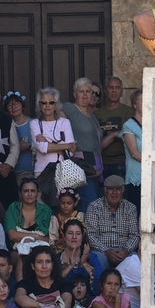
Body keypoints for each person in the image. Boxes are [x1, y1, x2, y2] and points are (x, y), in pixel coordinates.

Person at [60, 77, 104, 206]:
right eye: (81, 91)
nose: (85, 94)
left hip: (96, 168)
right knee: (89, 204)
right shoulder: (70, 108)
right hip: (81, 167)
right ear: (74, 94)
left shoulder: (92, 116)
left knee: (94, 202)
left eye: (88, 91)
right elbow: (57, 125)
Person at [85, 176, 140, 269]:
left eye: (118, 189)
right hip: (102, 252)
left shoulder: (130, 208)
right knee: (99, 262)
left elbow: (134, 235)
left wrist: (126, 250)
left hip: (125, 251)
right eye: (111, 189)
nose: (114, 193)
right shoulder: (94, 207)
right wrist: (106, 250)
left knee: (134, 264)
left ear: (122, 191)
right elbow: (91, 235)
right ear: (105, 191)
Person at [96, 78, 134, 182]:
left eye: (117, 88)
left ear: (121, 91)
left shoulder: (129, 112)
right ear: (105, 90)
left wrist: (108, 134)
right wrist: (115, 134)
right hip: (101, 164)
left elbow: (131, 136)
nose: (114, 90)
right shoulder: (96, 114)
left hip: (122, 162)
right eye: (111, 87)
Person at [5, 178, 53, 257]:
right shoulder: (13, 208)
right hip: (16, 250)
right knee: (23, 258)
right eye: (26, 191)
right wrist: (36, 236)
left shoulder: (46, 210)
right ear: (20, 193)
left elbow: (49, 238)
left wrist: (26, 237)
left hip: (40, 250)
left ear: (38, 193)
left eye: (33, 191)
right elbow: (12, 235)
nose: (29, 194)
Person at [121, 89, 153, 208]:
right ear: (134, 104)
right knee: (138, 212)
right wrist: (154, 162)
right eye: (141, 100)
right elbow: (134, 153)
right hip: (137, 176)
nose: (145, 103)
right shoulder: (128, 125)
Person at [5, 91, 34, 185]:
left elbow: (44, 145)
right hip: (11, 172)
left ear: (22, 105)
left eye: (17, 104)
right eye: (10, 105)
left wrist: (29, 146)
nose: (14, 107)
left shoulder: (33, 123)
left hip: (32, 171)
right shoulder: (6, 125)